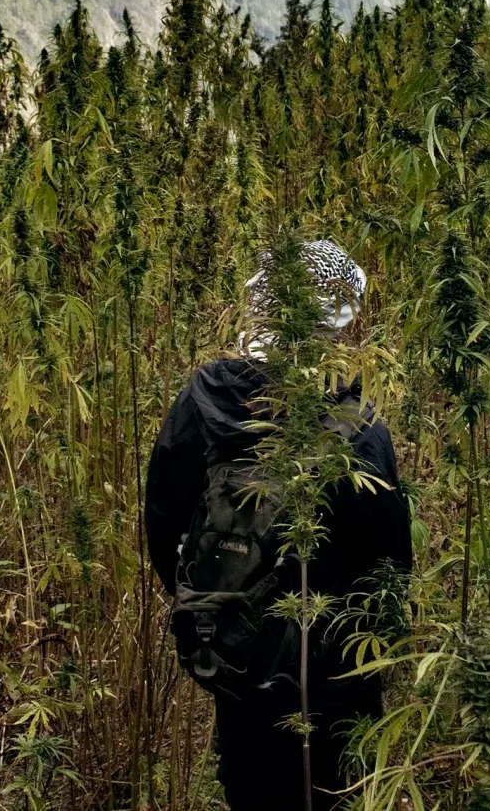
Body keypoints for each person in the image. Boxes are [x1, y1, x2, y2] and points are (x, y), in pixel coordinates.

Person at [146, 240, 412, 811]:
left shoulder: (202, 400)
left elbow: (163, 522)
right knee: (337, 793)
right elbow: (391, 566)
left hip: (237, 656)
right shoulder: (359, 428)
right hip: (340, 674)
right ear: (339, 322)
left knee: (252, 789)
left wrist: (218, 603)